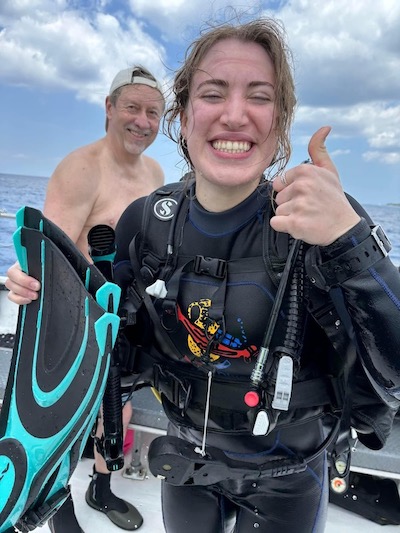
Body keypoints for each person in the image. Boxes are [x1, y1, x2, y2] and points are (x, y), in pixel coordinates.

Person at [7, 18, 400, 533]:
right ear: (184, 115)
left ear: (279, 121)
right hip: (185, 465)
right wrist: (49, 296)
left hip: (289, 478)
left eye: (258, 96)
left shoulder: (322, 219)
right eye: (214, 93)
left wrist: (350, 242)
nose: (235, 115)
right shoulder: (146, 222)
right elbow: (108, 355)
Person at [5, 65, 165, 532]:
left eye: (152, 112)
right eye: (132, 108)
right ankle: (58, 499)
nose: (142, 121)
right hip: (81, 318)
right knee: (72, 413)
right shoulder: (81, 169)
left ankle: (101, 487)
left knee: (120, 407)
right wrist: (22, 277)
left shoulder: (154, 171)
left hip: (129, 315)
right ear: (109, 108)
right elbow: (49, 257)